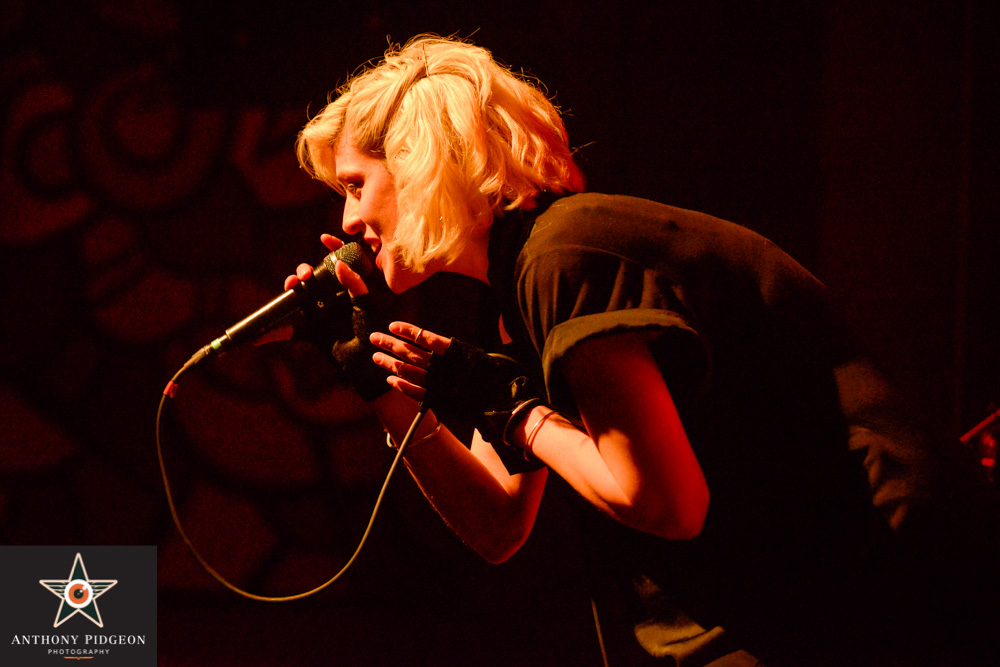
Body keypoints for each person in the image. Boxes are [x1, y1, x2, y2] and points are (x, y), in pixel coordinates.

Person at [284, 34, 997, 666]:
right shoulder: (522, 291)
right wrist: (378, 386)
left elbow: (663, 502)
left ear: (422, 163)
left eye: (356, 185)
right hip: (799, 607)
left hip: (873, 596)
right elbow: (499, 525)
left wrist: (518, 412)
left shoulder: (563, 256)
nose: (348, 219)